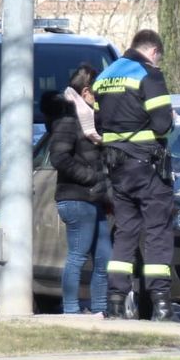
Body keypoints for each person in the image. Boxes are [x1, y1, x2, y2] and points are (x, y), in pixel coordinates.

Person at [93, 29, 176, 321]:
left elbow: (100, 125)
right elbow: (162, 125)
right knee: (157, 232)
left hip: (116, 168)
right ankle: (161, 305)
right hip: (147, 166)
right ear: (153, 51)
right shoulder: (149, 75)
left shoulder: (104, 77)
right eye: (158, 58)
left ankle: (116, 301)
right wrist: (170, 119)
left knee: (125, 232)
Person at [46, 66, 111, 316]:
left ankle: (100, 309)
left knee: (104, 257)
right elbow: (59, 157)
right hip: (76, 198)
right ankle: (71, 310)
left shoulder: (89, 120)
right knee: (78, 255)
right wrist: (91, 177)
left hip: (95, 198)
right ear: (85, 92)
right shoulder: (69, 120)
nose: (101, 100)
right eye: (98, 93)